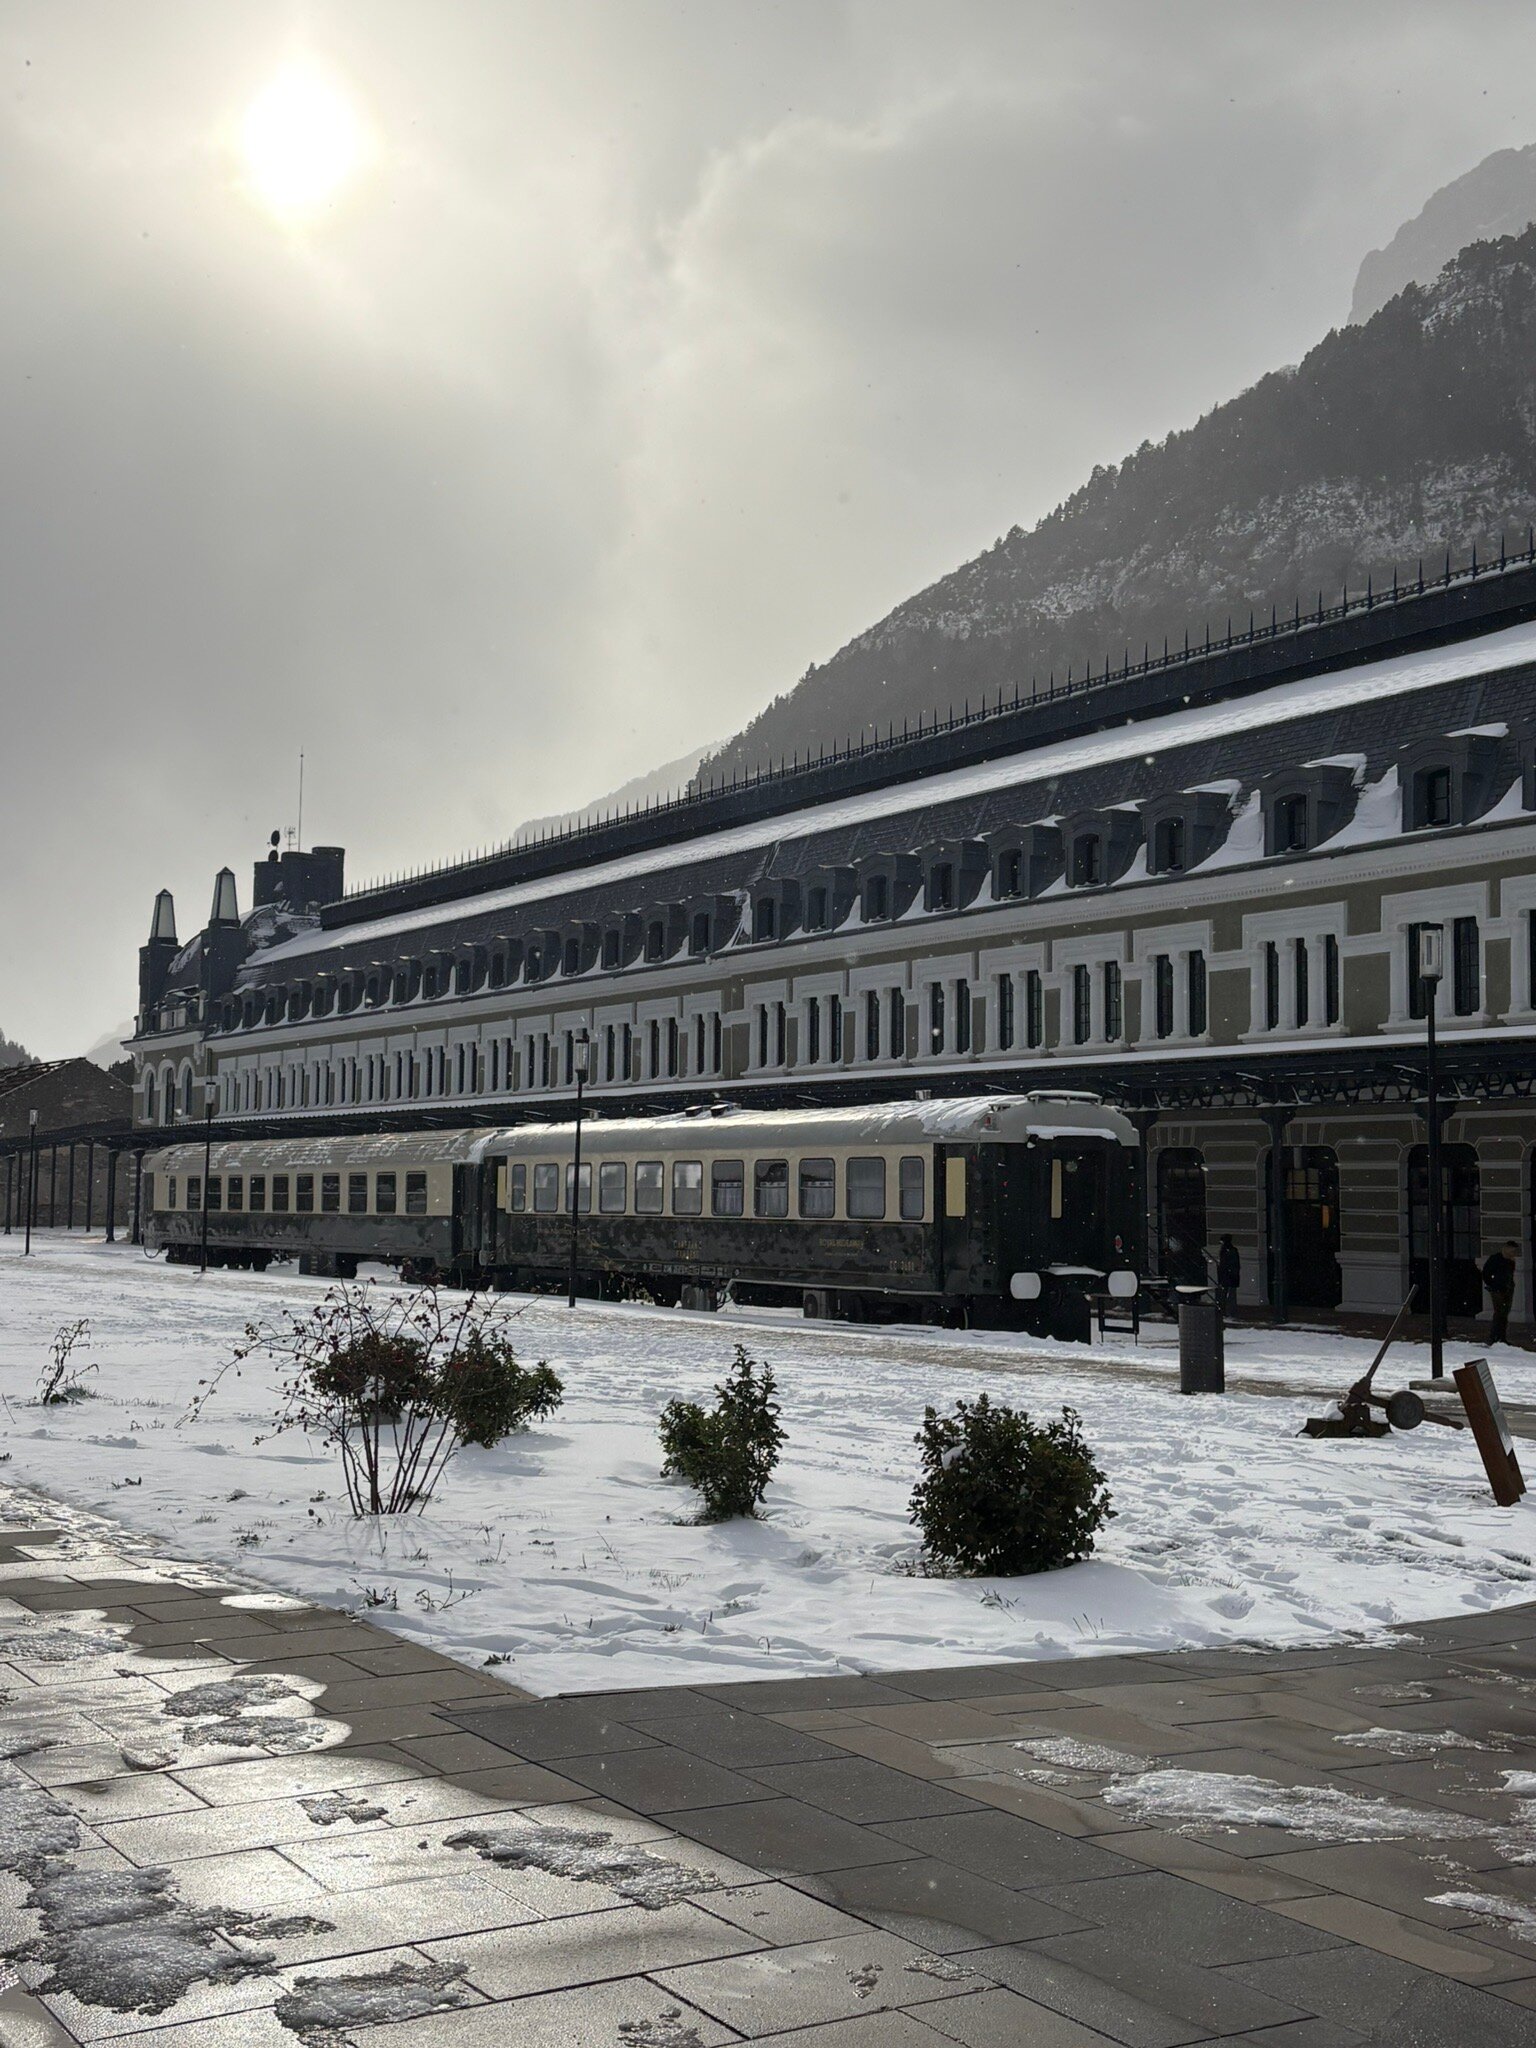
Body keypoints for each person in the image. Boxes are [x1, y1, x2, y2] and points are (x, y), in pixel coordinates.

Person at [1481, 1241, 1519, 1346]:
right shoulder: (1495, 1259)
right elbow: (1486, 1273)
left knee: (1504, 1314)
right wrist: (1493, 1284)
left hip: (1507, 1289)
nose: (1513, 1253)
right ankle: (1494, 1337)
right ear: (1506, 1249)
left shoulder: (1511, 1261)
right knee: (1499, 1313)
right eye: (1512, 1250)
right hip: (1497, 1289)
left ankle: (1502, 1337)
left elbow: (1509, 1275)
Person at [1215, 1235, 1241, 1317]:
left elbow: (1227, 1265)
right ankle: (1228, 1312)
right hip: (1229, 1276)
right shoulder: (1231, 1250)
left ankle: (1226, 1312)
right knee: (1229, 1295)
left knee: (1226, 1295)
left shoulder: (1226, 1251)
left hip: (1227, 1276)